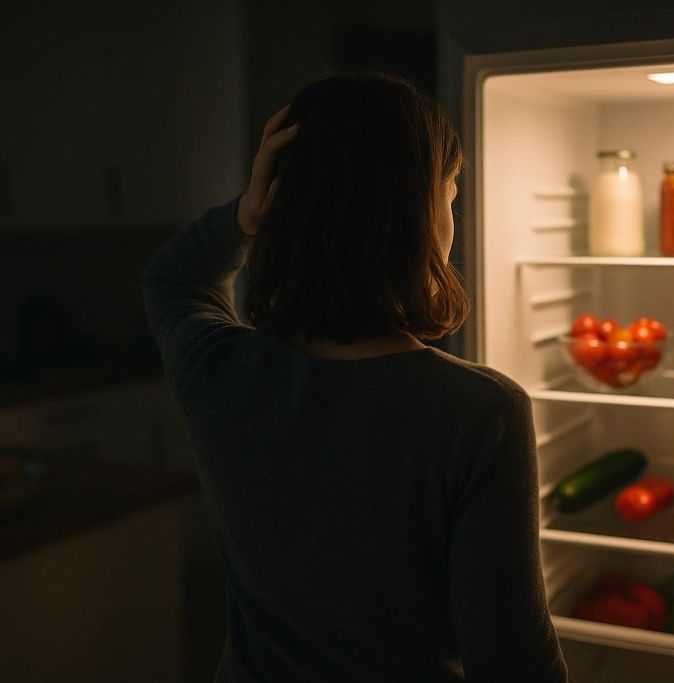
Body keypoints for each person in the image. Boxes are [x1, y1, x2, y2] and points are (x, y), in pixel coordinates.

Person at [143, 72, 568, 683]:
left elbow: (173, 279)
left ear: (281, 205)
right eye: (449, 192)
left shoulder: (219, 370)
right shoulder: (480, 412)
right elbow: (513, 661)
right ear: (421, 214)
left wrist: (244, 215)